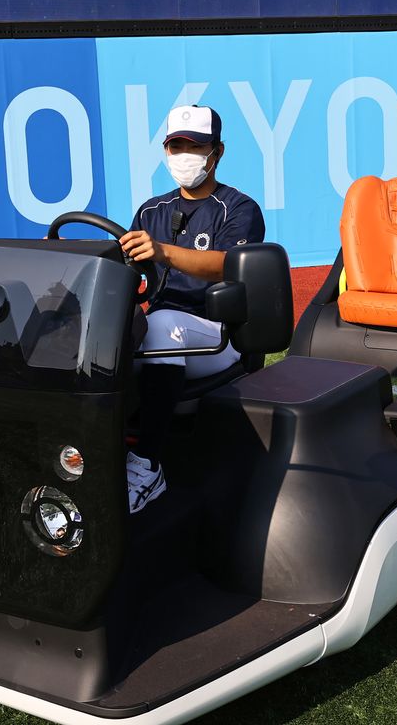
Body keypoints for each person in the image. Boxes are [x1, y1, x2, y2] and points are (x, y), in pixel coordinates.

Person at [118, 105, 265, 513]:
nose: (183, 154)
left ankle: (147, 467)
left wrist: (164, 252)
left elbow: (230, 264)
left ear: (216, 153)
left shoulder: (239, 208)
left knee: (161, 325)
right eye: (175, 145)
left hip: (220, 335)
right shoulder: (151, 210)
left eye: (194, 146)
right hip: (160, 333)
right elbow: (130, 273)